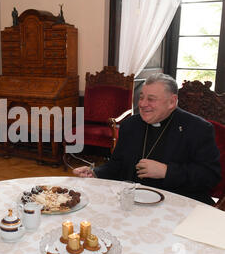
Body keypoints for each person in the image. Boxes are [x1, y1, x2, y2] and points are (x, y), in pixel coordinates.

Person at [73, 73, 221, 205]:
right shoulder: (130, 125)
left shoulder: (198, 129)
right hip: (134, 202)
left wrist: (166, 171)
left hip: (177, 203)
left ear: (171, 101)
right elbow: (117, 164)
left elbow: (210, 177)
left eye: (151, 99)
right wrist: (95, 172)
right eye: (141, 97)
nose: (143, 104)